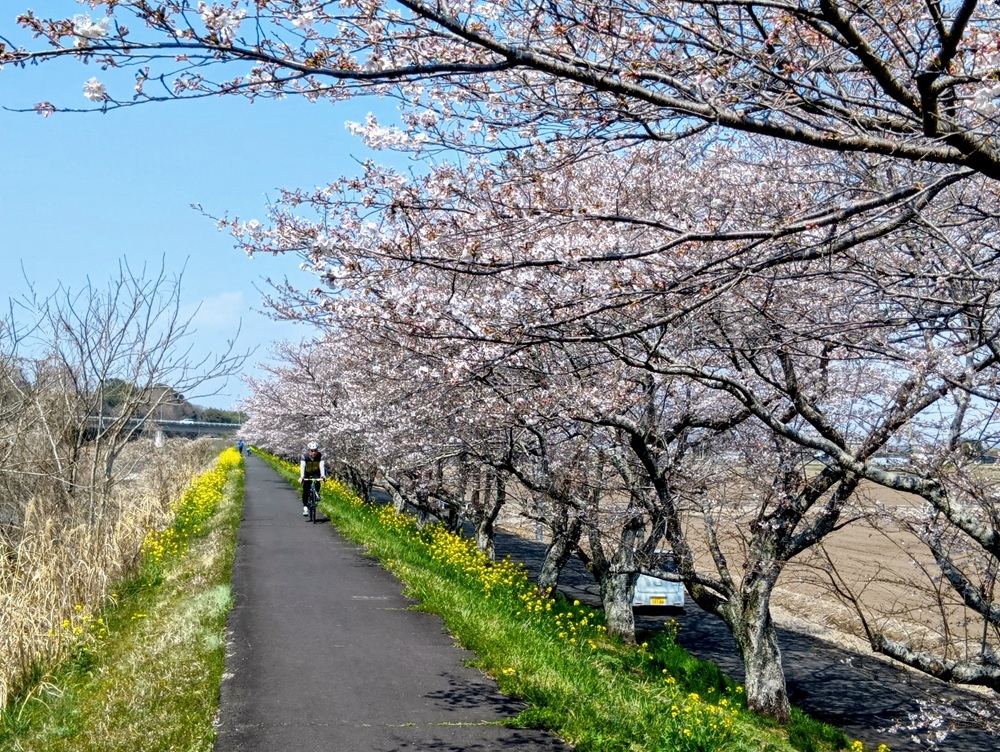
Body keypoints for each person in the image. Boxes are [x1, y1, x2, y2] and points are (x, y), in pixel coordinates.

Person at [299, 441, 327, 517]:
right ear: (309, 451)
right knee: (306, 489)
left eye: (315, 450)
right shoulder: (304, 456)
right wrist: (302, 477)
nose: (314, 452)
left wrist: (323, 476)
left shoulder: (320, 456)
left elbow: (322, 466)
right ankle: (305, 507)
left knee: (317, 482)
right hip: (307, 473)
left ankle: (316, 493)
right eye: (312, 451)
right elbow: (302, 467)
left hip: (316, 472)